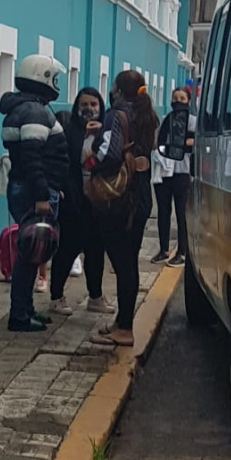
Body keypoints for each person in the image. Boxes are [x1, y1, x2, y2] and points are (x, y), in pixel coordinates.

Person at [86, 69, 158, 348]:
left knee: (122, 262)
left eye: (113, 85)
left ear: (118, 90)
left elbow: (110, 153)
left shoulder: (116, 114)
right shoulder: (147, 114)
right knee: (129, 260)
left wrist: (91, 157)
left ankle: (125, 328)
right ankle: (121, 322)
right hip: (139, 196)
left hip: (120, 200)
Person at [0, 55, 69, 332]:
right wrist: (42, 194)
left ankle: (26, 309)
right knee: (30, 253)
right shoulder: (34, 112)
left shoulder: (23, 108)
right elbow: (32, 158)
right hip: (33, 191)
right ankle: (19, 314)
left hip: (29, 188)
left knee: (31, 253)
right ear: (42, 76)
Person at [50, 88, 114, 316]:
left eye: (94, 104)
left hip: (98, 201)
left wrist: (101, 134)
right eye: (84, 104)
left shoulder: (106, 131)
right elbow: (64, 163)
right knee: (67, 250)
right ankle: (56, 295)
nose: (89, 109)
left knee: (96, 250)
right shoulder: (69, 132)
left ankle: (95, 296)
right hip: (75, 202)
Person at [151, 86, 196, 268]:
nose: (178, 102)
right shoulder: (165, 119)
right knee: (163, 210)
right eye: (175, 98)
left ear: (188, 101)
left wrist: (177, 143)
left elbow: (193, 142)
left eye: (182, 98)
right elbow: (158, 141)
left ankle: (182, 252)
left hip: (182, 171)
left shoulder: (193, 121)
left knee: (181, 212)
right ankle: (163, 249)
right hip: (164, 171)